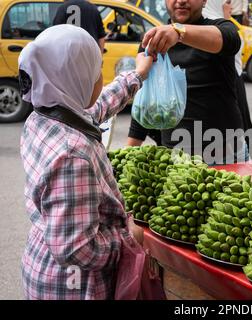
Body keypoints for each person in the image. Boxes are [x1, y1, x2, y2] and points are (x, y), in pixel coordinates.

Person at [19, 24, 153, 300]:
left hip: (41, 265)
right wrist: (128, 240)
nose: (100, 78)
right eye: (97, 69)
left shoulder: (45, 115)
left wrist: (137, 76)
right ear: (76, 77)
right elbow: (76, 248)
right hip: (71, 287)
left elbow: (95, 109)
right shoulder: (72, 155)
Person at [128, 0, 245, 164]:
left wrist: (178, 32)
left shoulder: (221, 27)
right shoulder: (154, 40)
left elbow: (230, 39)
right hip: (176, 158)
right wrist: (128, 155)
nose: (181, 1)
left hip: (226, 155)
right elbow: (147, 101)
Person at [203, 0, 252, 159]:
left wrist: (226, 17)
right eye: (226, 2)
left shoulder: (223, 25)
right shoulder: (210, 27)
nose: (230, 5)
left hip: (234, 82)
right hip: (230, 85)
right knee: (243, 132)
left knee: (244, 132)